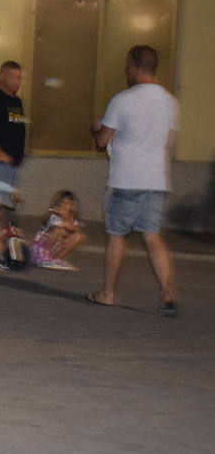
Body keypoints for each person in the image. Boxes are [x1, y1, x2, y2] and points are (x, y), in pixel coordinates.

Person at [86, 44, 180, 316]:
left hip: (126, 179)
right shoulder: (169, 101)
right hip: (156, 180)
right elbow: (168, 141)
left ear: (136, 66)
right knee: (153, 237)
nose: (126, 70)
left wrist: (96, 128)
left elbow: (103, 140)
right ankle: (168, 293)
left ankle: (107, 293)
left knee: (117, 237)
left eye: (128, 64)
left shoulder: (122, 100)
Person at [31, 190, 85, 271]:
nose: (63, 206)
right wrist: (63, 218)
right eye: (61, 203)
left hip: (54, 249)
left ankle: (56, 260)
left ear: (72, 206)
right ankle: (45, 258)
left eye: (67, 203)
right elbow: (67, 227)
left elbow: (76, 230)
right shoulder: (54, 216)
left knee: (79, 237)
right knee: (58, 230)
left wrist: (69, 218)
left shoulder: (73, 219)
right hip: (40, 249)